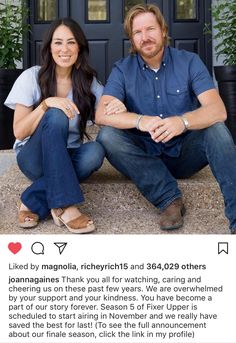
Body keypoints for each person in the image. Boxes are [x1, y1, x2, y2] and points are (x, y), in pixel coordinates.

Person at [95, 4, 236, 234]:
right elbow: (101, 115)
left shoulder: (189, 62)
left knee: (217, 130)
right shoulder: (122, 69)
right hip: (143, 154)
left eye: (150, 29)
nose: (145, 37)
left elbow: (218, 110)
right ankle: (169, 198)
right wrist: (140, 120)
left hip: (184, 153)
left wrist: (182, 122)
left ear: (163, 30)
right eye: (137, 32)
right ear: (131, 39)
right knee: (108, 136)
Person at [4, 18, 118, 233]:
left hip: (69, 153)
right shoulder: (31, 77)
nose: (64, 49)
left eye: (71, 42)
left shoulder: (87, 81)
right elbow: (19, 131)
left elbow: (106, 111)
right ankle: (65, 205)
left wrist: (118, 105)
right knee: (56, 114)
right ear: (49, 47)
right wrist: (46, 105)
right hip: (34, 158)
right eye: (58, 42)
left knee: (95, 150)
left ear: (79, 47)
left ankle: (32, 200)